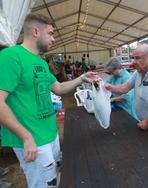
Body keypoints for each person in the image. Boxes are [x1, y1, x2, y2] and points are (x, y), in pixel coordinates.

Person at [0, 13, 98, 188]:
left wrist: (82, 78)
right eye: (51, 33)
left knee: (54, 179)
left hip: (50, 135)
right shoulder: (11, 56)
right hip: (32, 139)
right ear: (36, 31)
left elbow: (58, 88)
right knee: (43, 184)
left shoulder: (41, 62)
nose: (53, 39)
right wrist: (26, 136)